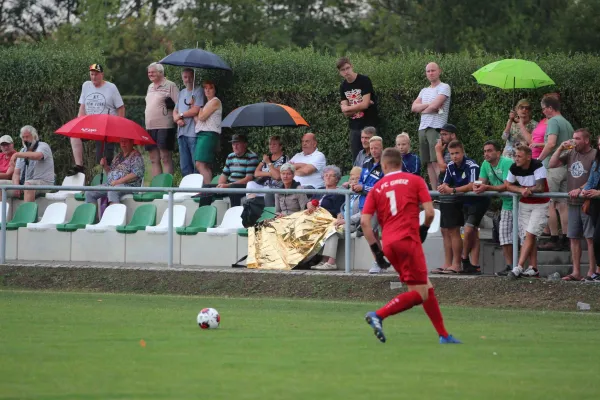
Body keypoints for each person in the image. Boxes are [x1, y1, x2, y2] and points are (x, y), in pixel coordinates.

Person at [361, 148, 460, 344]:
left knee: (425, 286)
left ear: (384, 165)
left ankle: (444, 335)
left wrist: (377, 253)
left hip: (389, 244)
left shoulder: (377, 187)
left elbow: (365, 223)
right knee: (418, 294)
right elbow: (430, 213)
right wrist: (423, 230)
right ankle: (378, 315)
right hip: (408, 240)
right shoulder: (415, 181)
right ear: (401, 163)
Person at [549, 129, 597, 281]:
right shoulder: (571, 153)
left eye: (577, 138)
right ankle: (576, 272)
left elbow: (595, 178)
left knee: (590, 238)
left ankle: (592, 271)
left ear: (586, 140)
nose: (574, 141)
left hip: (588, 202)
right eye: (573, 138)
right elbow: (552, 163)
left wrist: (581, 189)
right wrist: (560, 147)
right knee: (573, 237)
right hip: (572, 202)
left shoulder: (595, 154)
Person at [437, 140, 486, 274]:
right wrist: (443, 187)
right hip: (463, 202)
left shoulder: (472, 165)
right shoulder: (450, 166)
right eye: (452, 154)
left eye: (457, 153)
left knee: (470, 230)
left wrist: (452, 190)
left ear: (463, 152)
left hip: (477, 202)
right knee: (471, 232)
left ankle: (463, 261)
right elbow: (446, 183)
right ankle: (471, 265)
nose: (454, 156)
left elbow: (472, 185)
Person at [69, 63, 125, 175]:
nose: (94, 77)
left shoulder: (111, 87)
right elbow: (82, 105)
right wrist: (79, 121)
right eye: (92, 74)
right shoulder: (86, 85)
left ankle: (112, 179)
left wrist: (119, 125)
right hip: (90, 122)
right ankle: (79, 165)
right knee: (74, 134)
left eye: (96, 74)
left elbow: (121, 107)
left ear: (102, 75)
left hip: (106, 125)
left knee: (103, 161)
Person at [505, 146, 550, 278]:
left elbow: (540, 187)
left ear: (528, 157)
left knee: (530, 235)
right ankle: (533, 267)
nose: (516, 159)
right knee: (528, 237)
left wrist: (527, 190)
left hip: (540, 205)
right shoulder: (514, 167)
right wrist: (521, 190)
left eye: (519, 156)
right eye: (515, 156)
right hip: (525, 204)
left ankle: (518, 267)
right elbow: (508, 184)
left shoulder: (537, 165)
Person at [537, 95, 574, 251]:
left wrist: (538, 160)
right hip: (566, 167)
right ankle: (565, 239)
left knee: (549, 203)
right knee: (563, 204)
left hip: (552, 168)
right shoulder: (567, 123)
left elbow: (551, 143)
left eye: (544, 109)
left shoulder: (553, 121)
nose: (543, 112)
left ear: (550, 108)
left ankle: (553, 238)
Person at [474, 141, 514, 275]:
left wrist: (487, 187)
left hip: (520, 202)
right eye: (485, 151)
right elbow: (481, 182)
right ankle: (510, 266)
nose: (486, 153)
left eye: (490, 150)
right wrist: (476, 186)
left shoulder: (506, 162)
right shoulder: (485, 164)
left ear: (498, 152)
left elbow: (507, 186)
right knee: (504, 235)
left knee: (523, 236)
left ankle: (522, 267)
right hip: (507, 204)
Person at [313, 167, 362, 271]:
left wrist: (346, 219)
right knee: (331, 227)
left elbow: (363, 213)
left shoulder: (363, 195)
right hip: (344, 222)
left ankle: (331, 262)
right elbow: (344, 207)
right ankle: (324, 260)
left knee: (333, 229)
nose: (354, 181)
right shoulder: (349, 193)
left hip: (355, 225)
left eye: (357, 179)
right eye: (352, 179)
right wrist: (340, 213)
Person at [412, 62, 451, 190]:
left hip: (436, 127)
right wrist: (428, 106)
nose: (430, 73)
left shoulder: (444, 87)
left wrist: (422, 108)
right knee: (428, 162)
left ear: (439, 71)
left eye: (433, 70)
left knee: (436, 161)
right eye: (428, 71)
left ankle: (442, 190)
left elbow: (435, 106)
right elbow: (414, 107)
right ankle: (434, 193)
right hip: (423, 128)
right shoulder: (424, 90)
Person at [353, 136, 385, 273]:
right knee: (372, 235)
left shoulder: (386, 164)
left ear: (382, 147)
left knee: (372, 234)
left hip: (379, 204)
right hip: (364, 203)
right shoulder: (366, 162)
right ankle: (379, 261)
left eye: (376, 148)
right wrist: (355, 186)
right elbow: (361, 180)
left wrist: (364, 189)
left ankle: (379, 261)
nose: (373, 151)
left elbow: (384, 186)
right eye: (371, 148)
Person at [337, 57, 378, 160]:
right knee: (357, 157)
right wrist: (363, 105)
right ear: (340, 72)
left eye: (347, 68)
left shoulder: (364, 80)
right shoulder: (343, 86)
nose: (346, 72)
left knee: (374, 155)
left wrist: (349, 108)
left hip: (369, 124)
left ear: (352, 67)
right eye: (343, 70)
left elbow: (363, 105)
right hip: (354, 127)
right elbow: (346, 113)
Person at [144, 62, 179, 177]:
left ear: (161, 72)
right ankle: (156, 188)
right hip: (149, 126)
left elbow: (178, 104)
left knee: (165, 157)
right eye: (149, 72)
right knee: (154, 159)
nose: (150, 74)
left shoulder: (170, 85)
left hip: (165, 125)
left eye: (153, 72)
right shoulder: (150, 87)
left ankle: (168, 188)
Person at [85, 138, 145, 205]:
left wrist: (118, 182)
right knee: (89, 192)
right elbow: (111, 173)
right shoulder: (118, 156)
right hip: (111, 184)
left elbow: (136, 174)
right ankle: (93, 215)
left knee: (113, 190)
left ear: (131, 142)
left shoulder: (136, 156)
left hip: (129, 185)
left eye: (125, 141)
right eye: (121, 141)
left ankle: (114, 214)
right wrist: (105, 166)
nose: (123, 144)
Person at [433, 123, 459, 273]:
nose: (441, 137)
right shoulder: (444, 150)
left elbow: (444, 168)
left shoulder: (454, 149)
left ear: (452, 135)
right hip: (443, 194)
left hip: (452, 195)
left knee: (452, 230)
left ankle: (456, 264)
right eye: (440, 134)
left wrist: (437, 152)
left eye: (444, 134)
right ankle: (447, 263)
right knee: (444, 230)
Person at [10, 126, 55, 202]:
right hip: (23, 182)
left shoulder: (43, 146)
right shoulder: (22, 151)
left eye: (27, 137)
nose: (25, 140)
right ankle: (2, 213)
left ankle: (26, 213)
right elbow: (16, 173)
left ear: (34, 137)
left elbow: (37, 156)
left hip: (44, 183)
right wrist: (16, 186)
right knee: (1, 185)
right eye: (23, 137)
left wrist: (16, 154)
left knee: (28, 185)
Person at [173, 68, 203, 177]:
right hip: (181, 133)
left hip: (193, 133)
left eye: (190, 77)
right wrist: (177, 118)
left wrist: (180, 116)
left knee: (196, 165)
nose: (188, 79)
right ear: (182, 78)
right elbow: (175, 110)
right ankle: (187, 191)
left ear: (194, 77)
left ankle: (197, 190)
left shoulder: (199, 91)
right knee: (184, 166)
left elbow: (195, 110)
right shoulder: (181, 92)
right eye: (185, 77)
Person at [214, 134, 258, 207]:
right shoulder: (230, 156)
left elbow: (248, 179)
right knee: (206, 188)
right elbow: (224, 174)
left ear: (245, 144)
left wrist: (227, 186)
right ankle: (202, 215)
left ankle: (234, 216)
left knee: (233, 188)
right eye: (233, 144)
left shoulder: (251, 157)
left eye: (237, 144)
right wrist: (220, 185)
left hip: (244, 187)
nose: (235, 146)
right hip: (230, 185)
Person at [246, 136, 288, 207]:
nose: (271, 146)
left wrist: (268, 163)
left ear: (280, 146)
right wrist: (270, 174)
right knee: (250, 184)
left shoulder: (284, 159)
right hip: (264, 186)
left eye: (274, 144)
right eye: (270, 144)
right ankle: (252, 205)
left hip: (275, 187)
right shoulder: (267, 157)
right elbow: (256, 173)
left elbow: (277, 176)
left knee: (269, 190)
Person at [194, 80, 222, 185]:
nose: (207, 90)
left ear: (215, 90)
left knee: (200, 164)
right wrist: (194, 108)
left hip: (208, 135)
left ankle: (207, 190)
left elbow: (201, 117)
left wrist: (199, 108)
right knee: (205, 165)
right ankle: (208, 189)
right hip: (203, 134)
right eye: (205, 88)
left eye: (210, 88)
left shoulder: (215, 101)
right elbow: (199, 121)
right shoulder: (207, 104)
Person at [581, 136, 600, 282]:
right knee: (596, 239)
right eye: (599, 144)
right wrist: (584, 192)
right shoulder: (597, 162)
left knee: (597, 238)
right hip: (596, 205)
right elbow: (591, 181)